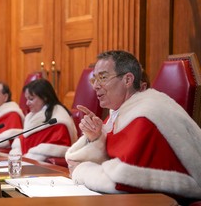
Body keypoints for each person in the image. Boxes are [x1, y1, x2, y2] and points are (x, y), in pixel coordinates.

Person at [65, 50, 201, 203]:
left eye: (102, 77)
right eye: (94, 79)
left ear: (128, 80)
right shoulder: (121, 111)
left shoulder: (146, 113)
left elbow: (126, 180)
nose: (96, 86)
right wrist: (96, 137)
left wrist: (83, 172)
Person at [10, 79, 78, 161]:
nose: (27, 103)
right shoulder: (31, 116)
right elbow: (24, 141)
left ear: (45, 97)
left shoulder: (58, 120)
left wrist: (24, 161)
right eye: (26, 99)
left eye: (31, 99)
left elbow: (56, 149)